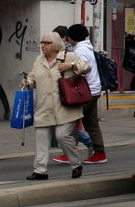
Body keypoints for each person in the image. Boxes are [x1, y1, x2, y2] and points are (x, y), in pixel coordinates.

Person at [22, 33, 87, 180]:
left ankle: (76, 164)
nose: (43, 45)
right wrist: (28, 81)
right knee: (41, 138)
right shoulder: (39, 59)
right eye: (42, 42)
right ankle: (40, 170)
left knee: (62, 136)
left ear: (56, 44)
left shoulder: (68, 57)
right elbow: (34, 76)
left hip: (65, 107)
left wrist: (71, 65)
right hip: (44, 106)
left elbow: (86, 66)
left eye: (47, 43)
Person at [52, 24, 107, 164]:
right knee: (91, 123)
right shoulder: (87, 48)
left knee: (71, 121)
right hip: (93, 90)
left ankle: (70, 153)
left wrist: (69, 67)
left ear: (72, 37)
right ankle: (99, 152)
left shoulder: (80, 51)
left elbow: (82, 69)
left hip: (83, 92)